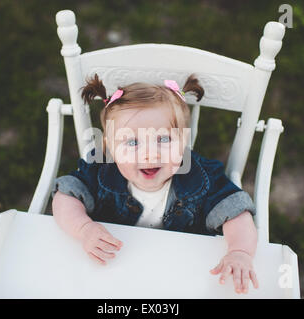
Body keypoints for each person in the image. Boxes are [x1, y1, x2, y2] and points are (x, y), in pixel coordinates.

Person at [51, 73, 259, 294]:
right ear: (110, 148)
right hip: (114, 270)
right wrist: (84, 229)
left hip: (179, 275)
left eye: (163, 139)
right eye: (132, 142)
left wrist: (240, 251)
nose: (150, 155)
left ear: (183, 141)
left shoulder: (202, 176)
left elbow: (236, 213)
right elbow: (66, 196)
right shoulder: (101, 169)